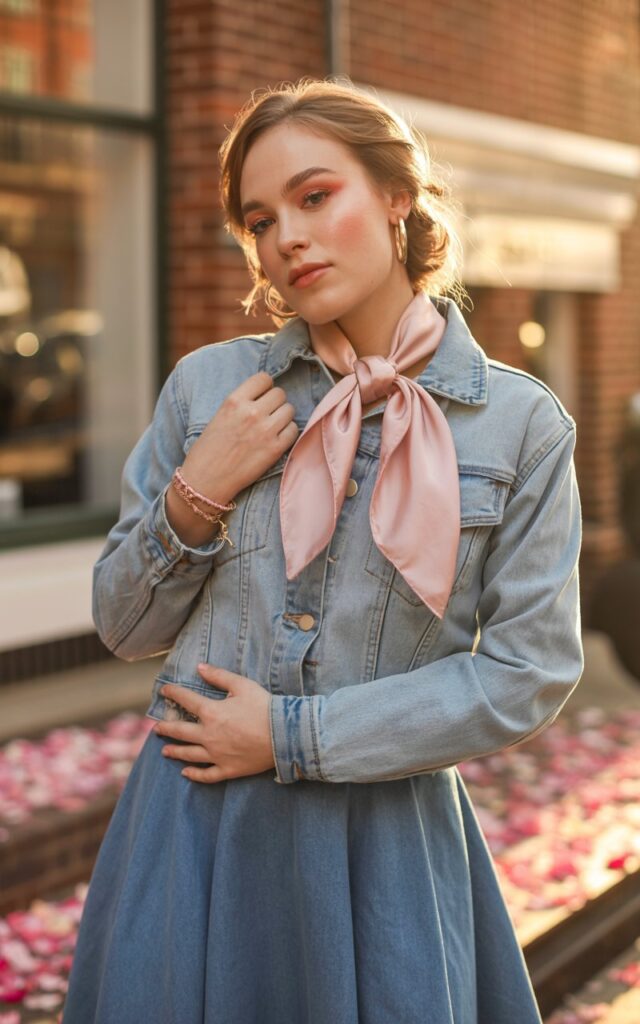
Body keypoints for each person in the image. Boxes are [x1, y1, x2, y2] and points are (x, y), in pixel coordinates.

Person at [61, 78, 583, 1024]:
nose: (287, 239)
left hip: (384, 846)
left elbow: (528, 672)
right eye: (261, 220)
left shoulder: (519, 425)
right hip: (196, 842)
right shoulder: (210, 391)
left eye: (314, 196)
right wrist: (202, 485)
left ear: (395, 198)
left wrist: (295, 736)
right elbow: (120, 621)